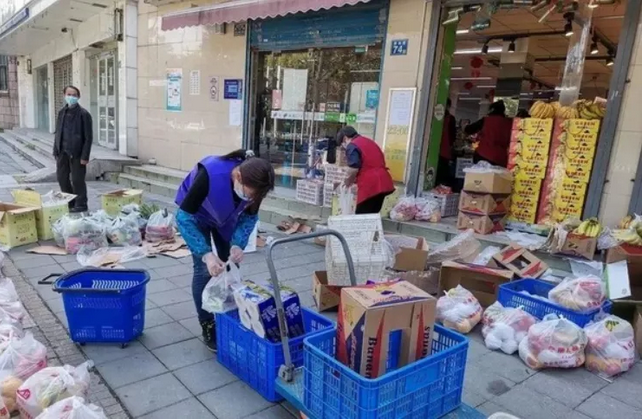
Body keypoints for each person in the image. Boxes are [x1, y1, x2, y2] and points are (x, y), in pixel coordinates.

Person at [175, 150, 275, 351]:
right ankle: (207, 323)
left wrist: (238, 244)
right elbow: (183, 218)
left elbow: (249, 217)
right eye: (250, 193)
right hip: (197, 216)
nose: (251, 198)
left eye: (256, 195)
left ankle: (228, 313)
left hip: (226, 218)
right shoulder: (210, 175)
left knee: (229, 264)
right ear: (238, 176)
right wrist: (206, 254)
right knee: (205, 270)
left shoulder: (256, 187)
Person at [337, 126, 395, 214]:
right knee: (372, 215)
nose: (344, 147)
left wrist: (347, 182)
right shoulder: (368, 141)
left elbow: (353, 168)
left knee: (362, 216)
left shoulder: (352, 145)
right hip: (383, 181)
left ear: (345, 138)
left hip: (370, 184)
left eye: (342, 144)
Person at [53, 86, 93, 212]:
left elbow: (88, 137)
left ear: (78, 97)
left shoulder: (83, 114)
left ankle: (81, 204)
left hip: (77, 153)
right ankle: (70, 202)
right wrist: (56, 150)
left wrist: (85, 156)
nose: (71, 97)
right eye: (69, 94)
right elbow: (58, 132)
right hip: (62, 152)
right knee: (62, 178)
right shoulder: (61, 113)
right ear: (64, 95)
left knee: (77, 180)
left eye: (74, 95)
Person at [464, 100, 513, 167]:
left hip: (483, 155)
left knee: (479, 176)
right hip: (501, 158)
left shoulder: (486, 120)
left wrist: (465, 126)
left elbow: (469, 130)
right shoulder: (509, 123)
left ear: (492, 110)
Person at [436, 98, 457, 187]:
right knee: (442, 176)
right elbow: (453, 136)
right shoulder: (450, 118)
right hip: (444, 152)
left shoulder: (433, 116)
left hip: (434, 151)